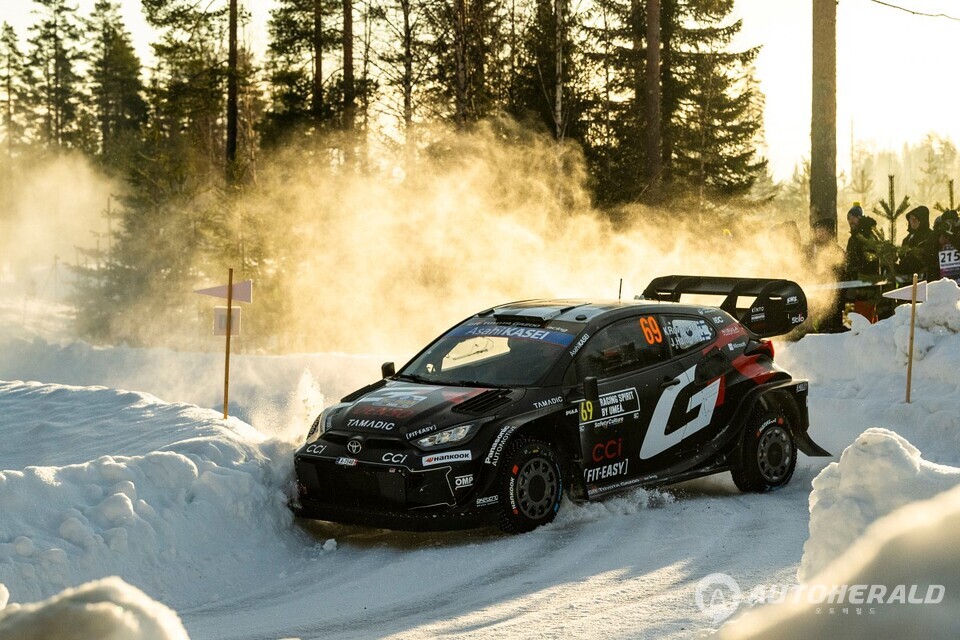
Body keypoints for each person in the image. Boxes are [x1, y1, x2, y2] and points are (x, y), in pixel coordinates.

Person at [842, 202, 882, 322]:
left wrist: (857, 270)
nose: (850, 221)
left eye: (853, 218)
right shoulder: (853, 238)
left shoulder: (868, 235)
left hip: (866, 286)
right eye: (849, 218)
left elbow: (871, 260)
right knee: (857, 319)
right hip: (855, 286)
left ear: (859, 218)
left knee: (866, 319)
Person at [898, 205, 934, 280]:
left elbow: (930, 258)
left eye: (916, 219)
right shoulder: (906, 239)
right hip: (906, 276)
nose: (913, 221)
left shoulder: (930, 236)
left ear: (922, 220)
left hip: (924, 276)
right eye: (911, 218)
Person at [933, 210, 960, 284]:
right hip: (944, 279)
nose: (949, 224)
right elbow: (929, 254)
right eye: (946, 222)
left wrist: (952, 237)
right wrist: (938, 242)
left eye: (951, 222)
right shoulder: (939, 233)